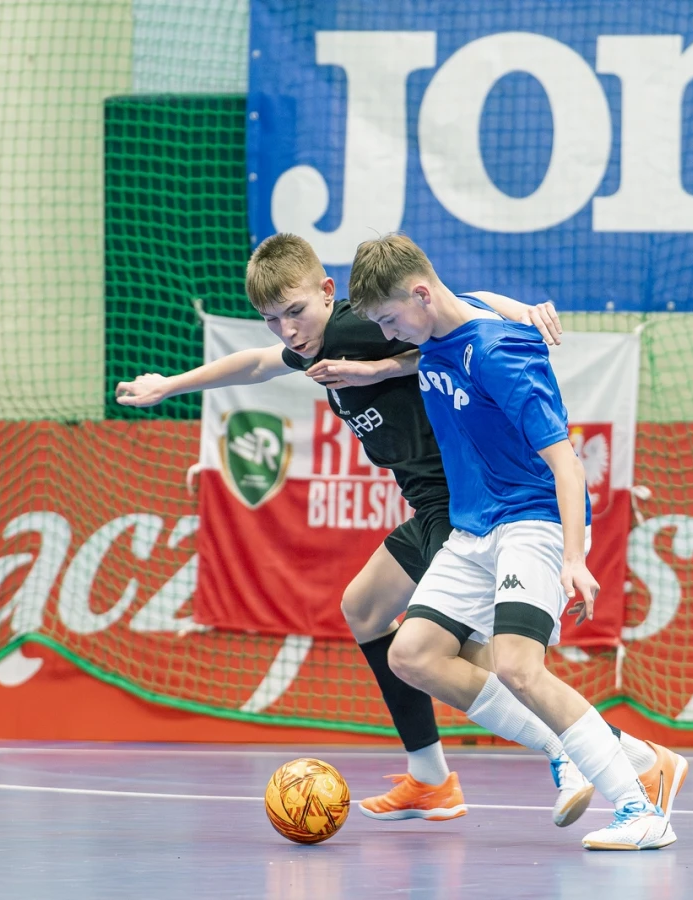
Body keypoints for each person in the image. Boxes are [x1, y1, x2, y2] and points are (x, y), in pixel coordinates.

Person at [116, 233, 594, 826]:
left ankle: (602, 753)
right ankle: (431, 779)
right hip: (429, 508)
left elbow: (455, 312)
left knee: (473, 659)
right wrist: (170, 384)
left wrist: (387, 363)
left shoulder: (353, 329)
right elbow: (258, 364)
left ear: (327, 292)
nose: (287, 331)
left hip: (464, 506)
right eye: (272, 320)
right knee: (365, 609)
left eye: (295, 311)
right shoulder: (314, 343)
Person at [346, 233, 688, 851]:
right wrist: (374, 368)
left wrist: (574, 557)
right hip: (475, 526)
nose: (390, 334)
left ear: (421, 294)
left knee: (516, 665)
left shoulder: (500, 354)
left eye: (391, 320)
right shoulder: (447, 323)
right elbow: (464, 310)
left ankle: (641, 811)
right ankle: (593, 751)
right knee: (412, 654)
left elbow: (566, 463)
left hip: (532, 520)